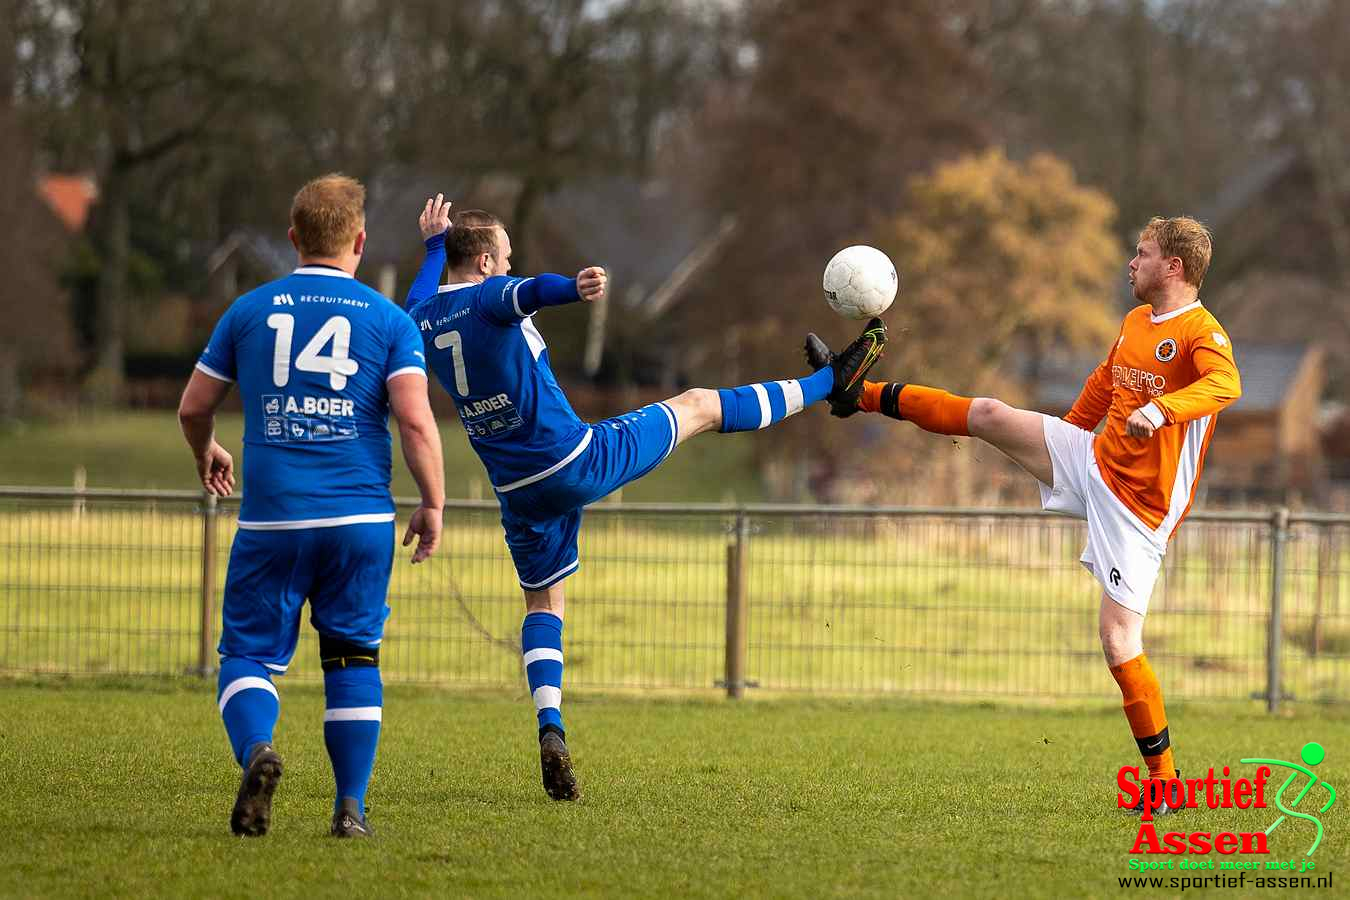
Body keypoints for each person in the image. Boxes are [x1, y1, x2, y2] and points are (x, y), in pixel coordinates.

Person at [405, 194, 886, 801]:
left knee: (543, 606)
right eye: (503, 256)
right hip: (575, 461)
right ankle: (832, 383)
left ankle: (550, 727)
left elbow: (429, 291)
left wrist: (429, 247)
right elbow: (522, 295)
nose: (508, 265)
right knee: (698, 406)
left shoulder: (420, 315)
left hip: (517, 492)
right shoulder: (489, 296)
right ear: (480, 263)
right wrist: (570, 287)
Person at [808, 216, 1241, 813]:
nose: (1130, 264)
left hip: (1139, 508)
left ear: (1175, 267)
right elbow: (1105, 383)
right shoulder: (1137, 321)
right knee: (989, 414)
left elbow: (1226, 384)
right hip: (1093, 456)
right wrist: (1064, 433)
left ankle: (1166, 786)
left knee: (1118, 641)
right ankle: (858, 394)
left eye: (1141, 255)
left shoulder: (1201, 333)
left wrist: (1164, 411)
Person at [177, 174, 446, 838]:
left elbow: (192, 407)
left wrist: (207, 449)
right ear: (359, 240)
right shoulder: (389, 320)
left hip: (273, 519)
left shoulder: (247, 310)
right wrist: (434, 502)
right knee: (353, 657)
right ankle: (350, 810)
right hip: (359, 521)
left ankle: (259, 751)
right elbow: (414, 422)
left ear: (293, 239)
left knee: (245, 655)